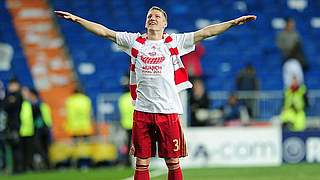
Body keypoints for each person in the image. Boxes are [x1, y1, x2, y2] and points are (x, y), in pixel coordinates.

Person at [55, 7, 256, 180]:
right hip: (142, 111)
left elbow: (206, 32)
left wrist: (234, 22)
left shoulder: (175, 42)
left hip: (167, 111)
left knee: (172, 160)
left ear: (165, 23)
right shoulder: (134, 41)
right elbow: (105, 32)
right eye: (150, 15)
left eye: (157, 16)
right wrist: (78, 20)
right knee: (141, 161)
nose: (152, 18)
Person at [28, 88, 52, 169]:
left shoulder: (39, 104)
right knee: (39, 147)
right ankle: (45, 164)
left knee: (44, 147)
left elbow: (45, 117)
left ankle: (47, 164)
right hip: (37, 129)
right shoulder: (34, 105)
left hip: (42, 128)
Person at [3, 78, 23, 174]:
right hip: (10, 125)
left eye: (12, 85)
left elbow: (6, 106)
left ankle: (18, 168)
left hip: (15, 124)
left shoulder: (17, 96)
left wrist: (9, 100)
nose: (10, 87)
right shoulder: (10, 96)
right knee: (12, 147)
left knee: (16, 147)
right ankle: (15, 168)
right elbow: (5, 106)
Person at [118, 73, 134, 166]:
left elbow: (121, 112)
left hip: (126, 124)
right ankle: (142, 160)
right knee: (139, 143)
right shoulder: (133, 97)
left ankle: (127, 162)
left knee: (128, 143)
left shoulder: (122, 99)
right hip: (136, 123)